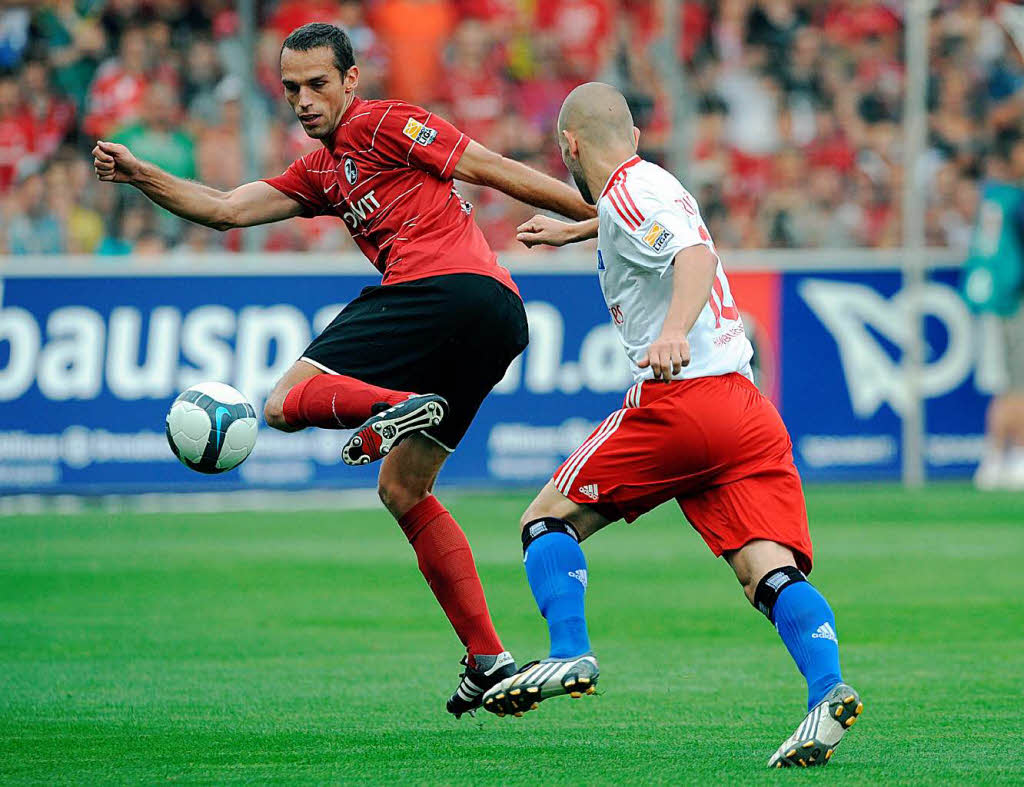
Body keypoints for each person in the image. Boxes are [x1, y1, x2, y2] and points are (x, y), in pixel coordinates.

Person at [92, 22, 595, 718]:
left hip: (441, 289)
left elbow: (491, 167)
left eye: (318, 84)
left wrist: (598, 212)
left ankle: (392, 405)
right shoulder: (322, 171)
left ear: (351, 81)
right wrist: (138, 171)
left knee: (281, 401)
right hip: (497, 316)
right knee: (404, 487)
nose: (303, 99)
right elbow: (225, 209)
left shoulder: (388, 122)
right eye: (291, 88)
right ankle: (488, 658)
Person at [480, 83, 863, 769]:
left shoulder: (630, 192)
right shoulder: (646, 187)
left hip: (683, 400)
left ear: (569, 145)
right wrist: (574, 229)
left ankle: (569, 651)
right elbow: (652, 232)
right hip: (744, 407)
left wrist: (673, 331)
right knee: (763, 571)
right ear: (629, 135)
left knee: (545, 520)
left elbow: (695, 257)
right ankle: (827, 690)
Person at [964, 130, 1024, 490]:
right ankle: (1013, 454)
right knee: (1016, 383)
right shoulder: (1013, 200)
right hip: (1012, 298)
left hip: (990, 298)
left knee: (1005, 383)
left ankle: (994, 458)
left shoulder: (991, 200)